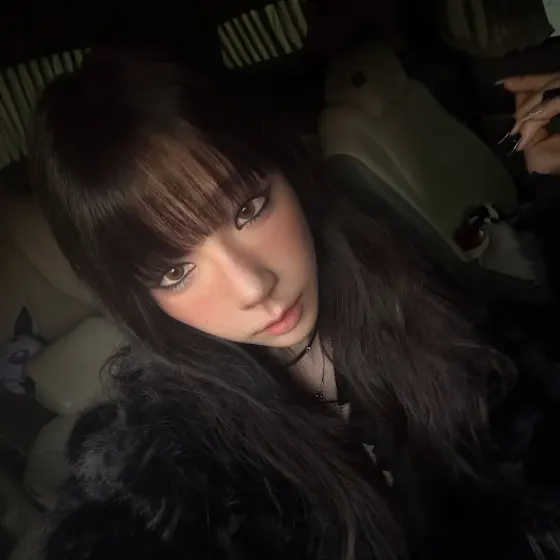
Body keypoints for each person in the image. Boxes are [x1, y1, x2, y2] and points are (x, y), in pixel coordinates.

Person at [27, 49, 560, 560]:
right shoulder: (159, 475)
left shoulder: (403, 286)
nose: (252, 287)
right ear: (138, 302)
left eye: (248, 209)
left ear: (290, 172)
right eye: (175, 271)